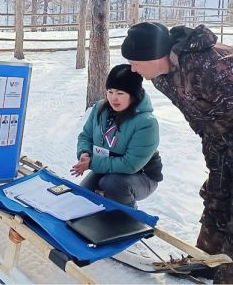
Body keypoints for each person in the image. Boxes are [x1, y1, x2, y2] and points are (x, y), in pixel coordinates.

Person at [121, 22, 233, 283]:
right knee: (216, 199)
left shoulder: (211, 67)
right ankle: (207, 260)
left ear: (153, 56)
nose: (133, 68)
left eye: (135, 61)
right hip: (224, 139)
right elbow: (198, 115)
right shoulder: (161, 77)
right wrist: (215, 150)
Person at [70, 64, 163, 208]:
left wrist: (92, 163)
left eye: (120, 93)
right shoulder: (100, 109)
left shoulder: (146, 123)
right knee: (83, 196)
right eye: (110, 92)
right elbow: (85, 136)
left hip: (141, 175)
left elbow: (130, 164)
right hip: (107, 168)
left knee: (112, 184)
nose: (114, 98)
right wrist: (85, 154)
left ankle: (128, 221)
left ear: (133, 94)